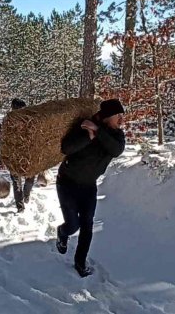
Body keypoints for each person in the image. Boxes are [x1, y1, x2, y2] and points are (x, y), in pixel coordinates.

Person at [55, 98, 126, 277]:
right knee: (73, 225)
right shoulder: (84, 126)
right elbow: (66, 147)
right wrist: (89, 135)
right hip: (67, 183)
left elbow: (116, 150)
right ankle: (62, 233)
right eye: (118, 115)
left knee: (87, 225)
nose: (121, 119)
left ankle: (80, 262)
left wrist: (98, 131)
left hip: (88, 186)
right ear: (108, 116)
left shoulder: (116, 135)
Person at [7, 98, 35, 213]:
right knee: (16, 181)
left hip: (29, 155)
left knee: (30, 178)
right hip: (14, 156)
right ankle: (20, 206)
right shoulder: (8, 122)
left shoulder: (31, 120)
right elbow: (4, 141)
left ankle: (26, 194)